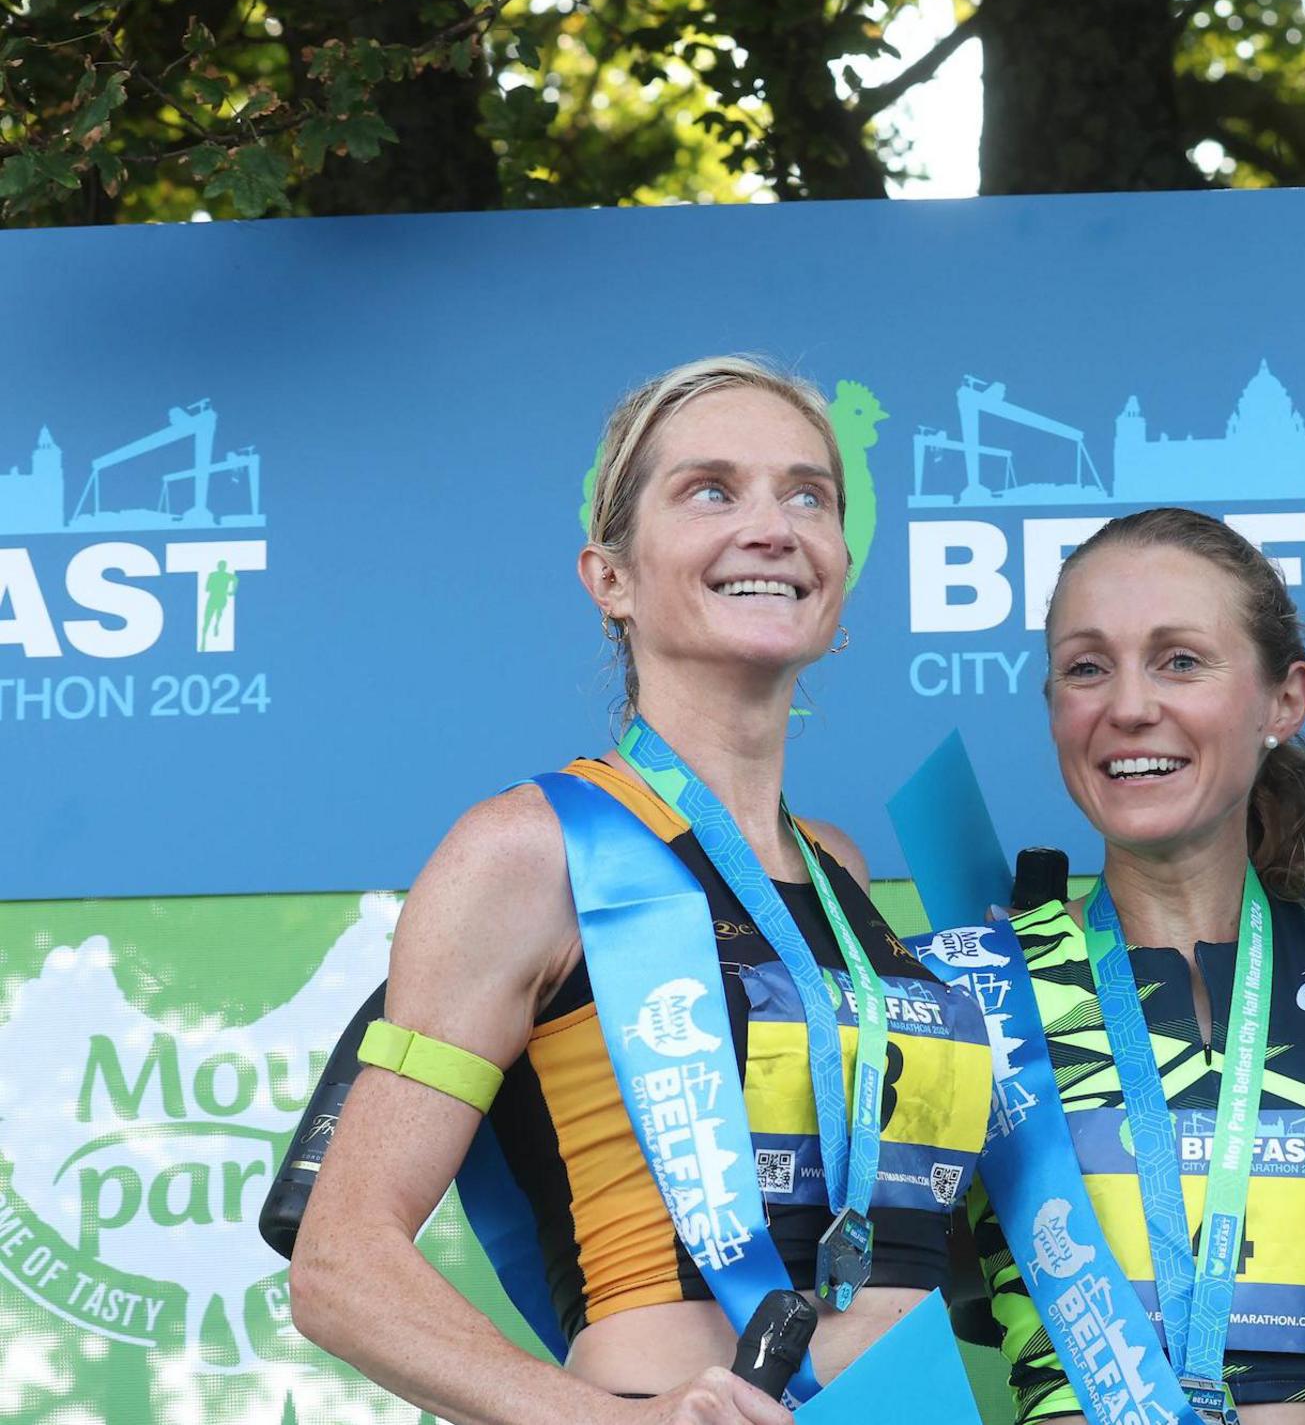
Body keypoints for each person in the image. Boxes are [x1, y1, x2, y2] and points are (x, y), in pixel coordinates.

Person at [290, 356, 992, 1425]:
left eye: (809, 494)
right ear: (609, 577)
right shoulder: (529, 849)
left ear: (840, 571)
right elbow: (339, 1261)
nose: (771, 524)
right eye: (710, 489)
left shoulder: (840, 870)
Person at [958, 507, 1305, 1423]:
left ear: (1285, 698)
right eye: (1086, 667)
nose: (1129, 705)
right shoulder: (983, 992)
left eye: (1180, 659)